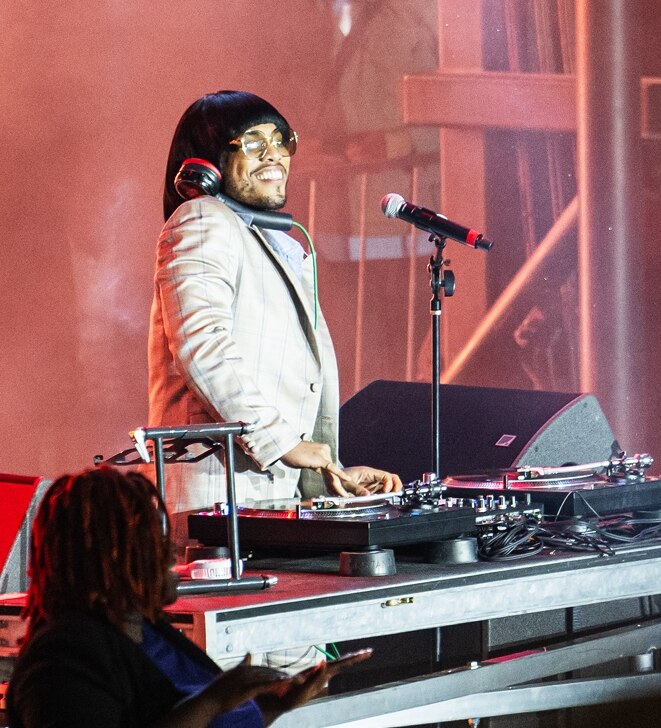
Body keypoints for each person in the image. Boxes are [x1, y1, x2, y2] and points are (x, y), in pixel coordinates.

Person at [149, 90, 402, 549]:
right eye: (252, 142)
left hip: (264, 497)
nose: (274, 154)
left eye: (281, 140)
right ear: (206, 164)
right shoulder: (201, 218)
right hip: (214, 497)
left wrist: (331, 473)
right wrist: (283, 443)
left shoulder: (270, 242)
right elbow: (202, 346)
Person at [5, 467, 373, 728]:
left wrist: (272, 705)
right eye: (154, 542)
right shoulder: (63, 660)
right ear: (109, 556)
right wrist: (214, 700)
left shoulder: (148, 631)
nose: (169, 553)